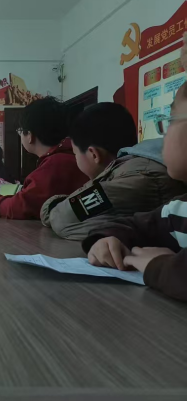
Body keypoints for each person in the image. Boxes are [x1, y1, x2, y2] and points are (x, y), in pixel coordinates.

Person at [81, 33, 187, 301]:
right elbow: (133, 225)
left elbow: (68, 215)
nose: (163, 133)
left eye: (171, 120)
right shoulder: (179, 209)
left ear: (92, 153)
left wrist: (160, 267)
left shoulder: (138, 174)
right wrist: (106, 238)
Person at [41, 103, 186, 240]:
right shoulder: (134, 169)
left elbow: (63, 218)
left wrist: (56, 205)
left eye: (75, 153)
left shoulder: (140, 177)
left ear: (94, 154)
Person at [0, 97, 89, 219]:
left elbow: (21, 206)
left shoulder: (56, 164)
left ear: (30, 136)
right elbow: (28, 199)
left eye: (20, 131)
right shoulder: (65, 156)